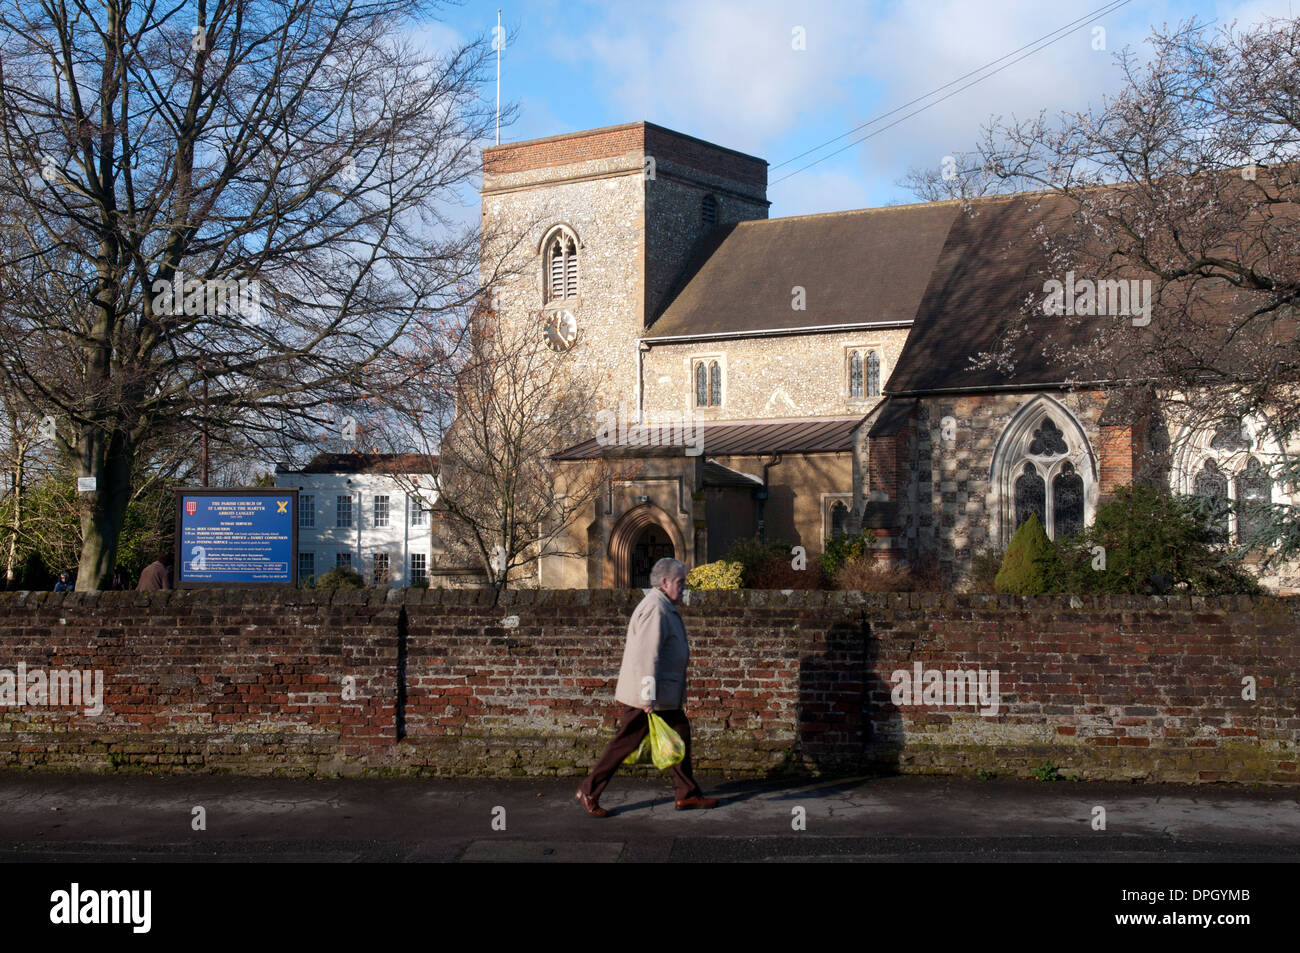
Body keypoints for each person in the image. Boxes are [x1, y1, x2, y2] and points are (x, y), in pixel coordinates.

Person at [576, 557, 719, 817]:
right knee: (625, 743)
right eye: (680, 582)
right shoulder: (656, 608)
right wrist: (647, 698)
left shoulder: (663, 605)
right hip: (649, 698)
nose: (684, 587)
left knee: (680, 735)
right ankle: (589, 790)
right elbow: (646, 655)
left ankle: (686, 794)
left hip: (661, 695)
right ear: (664, 582)